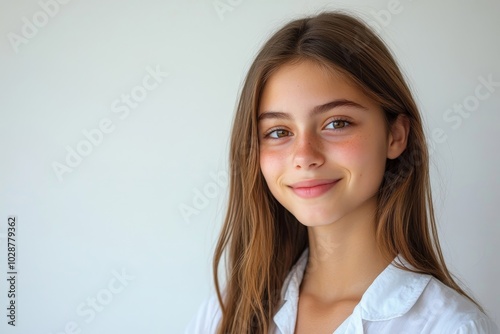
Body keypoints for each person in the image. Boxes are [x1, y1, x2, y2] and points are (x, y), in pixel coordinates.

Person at [185, 11, 499, 334]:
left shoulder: (453, 327)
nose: (304, 156)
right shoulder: (223, 315)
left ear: (396, 135)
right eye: (279, 132)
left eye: (337, 123)